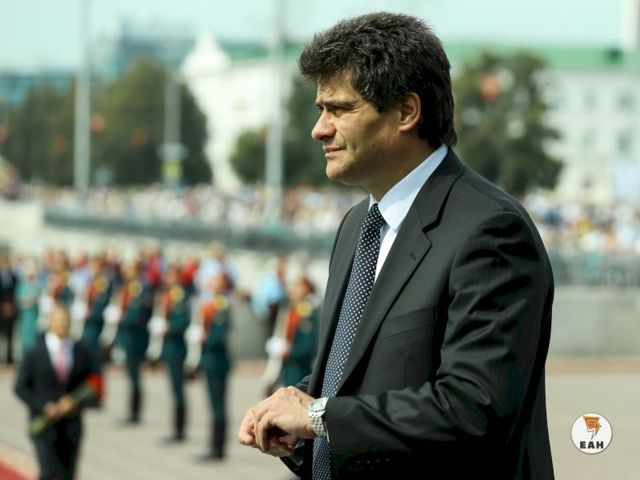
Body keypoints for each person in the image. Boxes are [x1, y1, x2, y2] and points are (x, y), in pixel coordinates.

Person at [238, 12, 554, 480]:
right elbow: (356, 375)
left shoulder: (489, 230)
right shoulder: (357, 226)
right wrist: (291, 417)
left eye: (339, 109)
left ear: (407, 112)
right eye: (321, 109)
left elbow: (475, 407)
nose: (319, 128)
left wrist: (319, 416)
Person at [14, 303, 102, 480]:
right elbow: (21, 387)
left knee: (67, 475)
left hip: (71, 426)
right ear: (49, 323)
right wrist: (44, 406)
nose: (63, 324)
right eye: (59, 320)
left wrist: (76, 403)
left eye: (66, 321)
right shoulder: (35, 352)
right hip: (45, 425)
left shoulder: (81, 351)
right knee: (49, 473)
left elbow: (95, 383)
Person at [197, 271, 233, 461]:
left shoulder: (222, 305)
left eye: (218, 280)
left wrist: (204, 337)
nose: (213, 282)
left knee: (218, 405)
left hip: (218, 361)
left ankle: (218, 448)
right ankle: (214, 446)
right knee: (213, 404)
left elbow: (218, 336)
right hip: (210, 360)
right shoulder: (211, 304)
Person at [116, 260, 153, 424]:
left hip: (136, 338)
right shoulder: (129, 288)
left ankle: (135, 412)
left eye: (129, 269)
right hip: (128, 337)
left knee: (135, 376)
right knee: (131, 376)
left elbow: (138, 316)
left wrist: (122, 318)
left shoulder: (141, 288)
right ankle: (131, 411)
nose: (126, 272)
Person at [158, 263, 191, 443]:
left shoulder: (180, 296)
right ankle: (176, 429)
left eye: (171, 275)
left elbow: (181, 321)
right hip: (170, 347)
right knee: (174, 389)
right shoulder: (169, 294)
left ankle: (179, 430)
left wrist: (168, 328)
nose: (167, 279)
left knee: (178, 389)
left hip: (178, 348)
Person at [279, 275, 318, 388]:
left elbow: (308, 345)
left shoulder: (306, 311)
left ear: (306, 289)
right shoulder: (293, 309)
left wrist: (289, 351)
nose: (293, 289)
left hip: (299, 367)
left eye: (297, 285)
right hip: (289, 365)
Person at [16, 260, 43, 356]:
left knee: (36, 339)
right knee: (26, 339)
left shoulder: (39, 285)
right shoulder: (22, 285)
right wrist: (31, 300)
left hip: (36, 316)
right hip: (25, 316)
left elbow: (42, 299)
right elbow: (19, 300)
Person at [0, 254, 18, 364]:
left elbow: (16, 292)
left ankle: (9, 358)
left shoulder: (14, 277)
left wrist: (11, 306)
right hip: (1, 310)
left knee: (10, 335)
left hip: (11, 310)